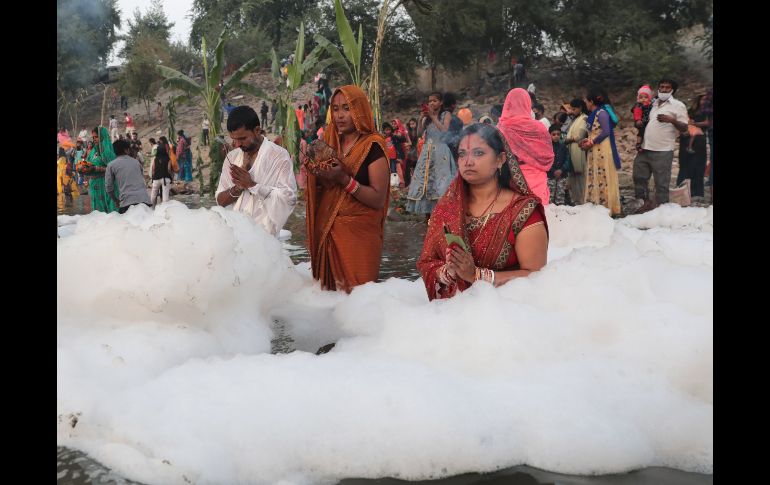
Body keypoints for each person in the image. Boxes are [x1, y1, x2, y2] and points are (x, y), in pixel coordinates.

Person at [417, 123, 548, 300]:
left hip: (508, 311)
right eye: (462, 154)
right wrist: (448, 272)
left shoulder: (522, 211)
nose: (468, 161)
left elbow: (537, 278)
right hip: (453, 313)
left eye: (479, 153)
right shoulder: (447, 208)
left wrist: (476, 276)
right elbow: (426, 263)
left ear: (500, 159)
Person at [305, 85, 390, 292]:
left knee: (359, 302)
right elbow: (323, 189)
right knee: (329, 304)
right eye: (335, 109)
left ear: (359, 110)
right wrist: (314, 170)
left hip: (359, 237)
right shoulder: (329, 142)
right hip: (329, 232)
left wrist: (344, 179)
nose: (339, 115)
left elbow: (378, 199)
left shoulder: (373, 146)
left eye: (346, 108)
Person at [215, 106, 297, 236]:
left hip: (264, 241)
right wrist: (238, 187)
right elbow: (220, 201)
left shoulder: (278, 156)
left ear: (257, 130)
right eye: (234, 139)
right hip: (235, 239)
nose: (237, 144)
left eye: (242, 139)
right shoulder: (232, 157)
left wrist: (252, 185)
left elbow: (289, 199)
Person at [631, 78, 689, 213]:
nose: (663, 90)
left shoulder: (678, 105)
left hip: (662, 150)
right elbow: (640, 116)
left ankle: (662, 212)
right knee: (639, 177)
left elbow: (684, 127)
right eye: (661, 87)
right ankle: (643, 204)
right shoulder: (653, 103)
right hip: (645, 148)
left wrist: (672, 120)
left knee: (661, 183)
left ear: (672, 90)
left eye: (667, 88)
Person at [496, 88, 553, 205]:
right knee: (538, 218)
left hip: (511, 181)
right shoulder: (539, 128)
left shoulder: (501, 128)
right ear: (528, 104)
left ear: (507, 103)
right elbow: (548, 156)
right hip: (537, 179)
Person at [406, 92, 457, 216]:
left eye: (434, 101)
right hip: (427, 152)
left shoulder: (446, 114)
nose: (431, 103)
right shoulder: (426, 118)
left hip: (441, 153)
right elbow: (418, 134)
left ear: (441, 103)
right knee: (426, 182)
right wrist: (420, 119)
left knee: (440, 182)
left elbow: (444, 130)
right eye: (429, 101)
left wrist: (434, 117)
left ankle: (442, 215)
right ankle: (428, 216)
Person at [579, 87, 622, 216]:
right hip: (595, 148)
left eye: (586, 101)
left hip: (602, 148)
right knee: (595, 175)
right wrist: (586, 140)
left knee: (603, 175)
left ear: (591, 102)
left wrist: (591, 142)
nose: (585, 103)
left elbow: (606, 131)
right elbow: (594, 132)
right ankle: (596, 205)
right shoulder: (594, 113)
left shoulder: (601, 112)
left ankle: (606, 207)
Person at [677, 94, 710, 199]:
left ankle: (697, 193)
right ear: (698, 100)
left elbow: (708, 123)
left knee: (698, 166)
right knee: (684, 166)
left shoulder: (709, 112)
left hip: (699, 140)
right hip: (685, 139)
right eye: (703, 99)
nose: (705, 101)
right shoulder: (690, 110)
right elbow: (683, 121)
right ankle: (681, 191)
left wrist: (695, 124)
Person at [105, 139, 151, 214]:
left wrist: (116, 200)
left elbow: (109, 188)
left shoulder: (111, 165)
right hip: (145, 201)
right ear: (126, 150)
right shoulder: (136, 162)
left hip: (127, 203)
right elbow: (141, 179)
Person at [81, 126, 119, 213]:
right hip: (94, 185)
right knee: (97, 212)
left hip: (105, 183)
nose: (94, 139)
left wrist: (96, 168)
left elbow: (112, 169)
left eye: (96, 137)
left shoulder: (108, 151)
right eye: (93, 137)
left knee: (108, 211)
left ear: (102, 136)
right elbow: (88, 163)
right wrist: (83, 167)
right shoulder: (94, 151)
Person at [564, 98, 589, 205]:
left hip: (579, 150)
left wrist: (568, 140)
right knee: (573, 177)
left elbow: (580, 136)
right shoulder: (576, 118)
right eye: (571, 109)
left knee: (580, 177)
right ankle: (575, 200)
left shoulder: (584, 118)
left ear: (580, 108)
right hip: (572, 149)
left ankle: (582, 201)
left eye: (574, 109)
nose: (572, 111)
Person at [547, 124, 569, 205]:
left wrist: (561, 170)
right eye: (553, 134)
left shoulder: (563, 147)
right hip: (550, 175)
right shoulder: (546, 147)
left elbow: (568, 160)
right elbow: (545, 161)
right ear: (549, 135)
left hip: (562, 175)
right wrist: (553, 171)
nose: (556, 136)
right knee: (550, 196)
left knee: (560, 196)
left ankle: (560, 214)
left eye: (558, 134)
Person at [150, 137, 173, 204]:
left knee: (153, 196)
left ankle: (152, 209)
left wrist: (153, 177)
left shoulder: (155, 159)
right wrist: (171, 177)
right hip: (165, 179)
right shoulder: (168, 159)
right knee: (165, 198)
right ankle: (164, 211)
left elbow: (153, 169)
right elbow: (169, 169)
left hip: (156, 179)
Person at [631, 85, 653, 152]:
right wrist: (638, 120)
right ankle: (638, 144)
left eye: (645, 97)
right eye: (641, 97)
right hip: (641, 122)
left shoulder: (651, 104)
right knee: (641, 132)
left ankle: (648, 144)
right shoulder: (638, 105)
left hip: (648, 121)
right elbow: (636, 113)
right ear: (638, 98)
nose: (643, 99)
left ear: (649, 97)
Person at [405, 117, 419, 187]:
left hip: (417, 148)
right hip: (412, 149)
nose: (412, 126)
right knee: (411, 165)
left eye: (413, 124)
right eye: (410, 124)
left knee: (416, 164)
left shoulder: (418, 130)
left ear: (416, 123)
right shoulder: (409, 131)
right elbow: (409, 141)